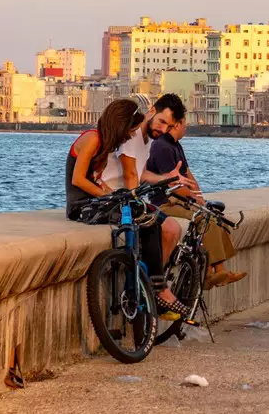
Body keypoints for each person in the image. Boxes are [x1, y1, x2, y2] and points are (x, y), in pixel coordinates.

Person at [64, 98, 186, 315]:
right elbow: (78, 180)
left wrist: (113, 195)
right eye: (130, 131)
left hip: (98, 202)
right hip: (83, 206)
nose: (131, 136)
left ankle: (150, 285)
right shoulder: (92, 139)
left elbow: (100, 180)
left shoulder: (104, 144)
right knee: (146, 220)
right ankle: (158, 288)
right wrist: (108, 196)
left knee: (148, 220)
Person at [144, 93, 244, 288]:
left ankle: (217, 271)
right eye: (184, 125)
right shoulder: (162, 147)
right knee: (203, 218)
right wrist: (196, 201)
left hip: (180, 200)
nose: (186, 128)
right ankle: (210, 274)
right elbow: (174, 186)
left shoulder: (176, 146)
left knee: (212, 216)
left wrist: (200, 198)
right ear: (178, 124)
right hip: (165, 203)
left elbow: (189, 176)